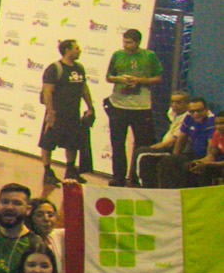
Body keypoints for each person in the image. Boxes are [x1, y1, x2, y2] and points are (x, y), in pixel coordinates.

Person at [104, 29, 164, 187]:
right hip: (119, 105)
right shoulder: (118, 55)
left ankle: (137, 178)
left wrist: (140, 80)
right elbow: (108, 77)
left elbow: (158, 78)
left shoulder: (149, 56)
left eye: (129, 42)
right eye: (124, 41)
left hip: (141, 107)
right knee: (117, 143)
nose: (126, 45)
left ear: (138, 42)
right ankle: (118, 177)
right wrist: (119, 79)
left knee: (142, 145)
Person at [37, 38, 95, 184]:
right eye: (76, 48)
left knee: (72, 143)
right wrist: (51, 112)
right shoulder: (54, 69)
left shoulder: (79, 68)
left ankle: (70, 170)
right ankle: (47, 172)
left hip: (73, 113)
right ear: (68, 51)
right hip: (57, 113)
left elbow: (84, 88)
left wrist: (90, 107)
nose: (79, 51)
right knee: (47, 143)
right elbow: (47, 92)